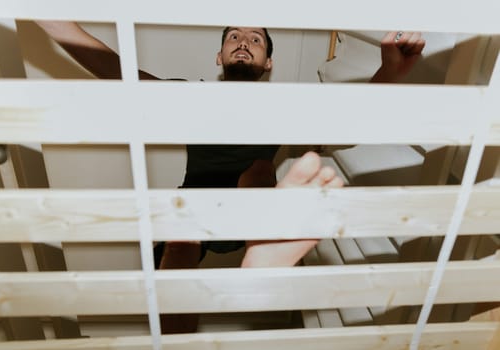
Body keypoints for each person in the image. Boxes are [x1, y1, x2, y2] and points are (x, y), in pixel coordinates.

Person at [35, 21, 425, 332]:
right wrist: (54, 24)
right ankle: (180, 337)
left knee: (257, 171)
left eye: (256, 38)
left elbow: (344, 126)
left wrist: (389, 70)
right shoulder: (193, 99)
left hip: (254, 208)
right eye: (234, 36)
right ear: (219, 56)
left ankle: (265, 247)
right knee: (179, 245)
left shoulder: (282, 109)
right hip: (198, 207)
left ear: (268, 62)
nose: (243, 41)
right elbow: (114, 70)